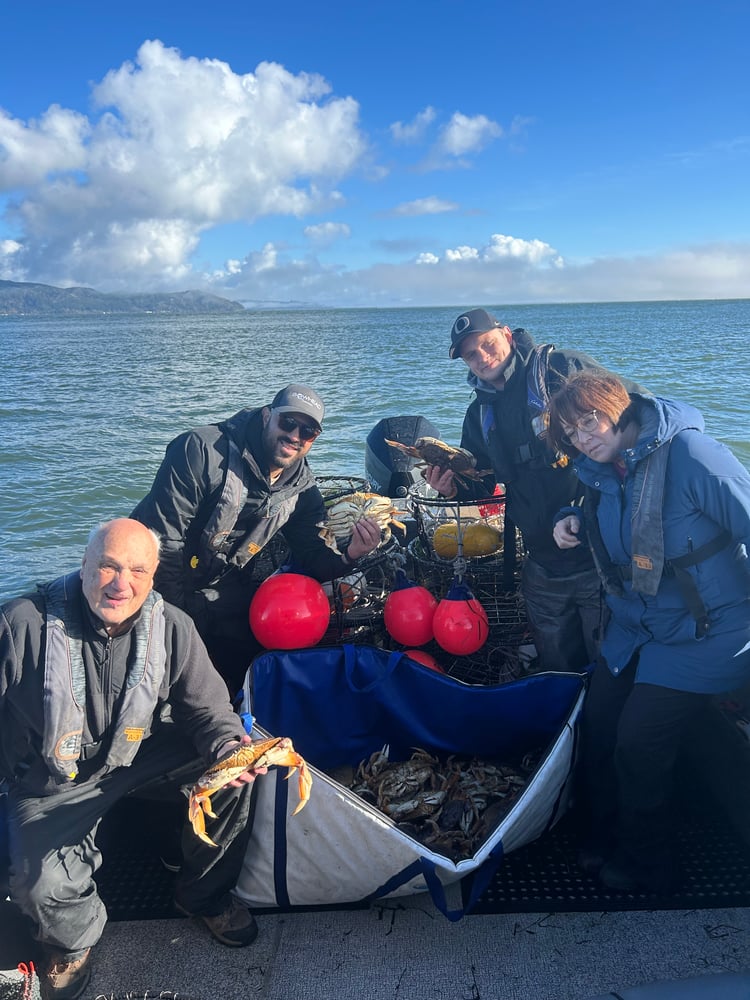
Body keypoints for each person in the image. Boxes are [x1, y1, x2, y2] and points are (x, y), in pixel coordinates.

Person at [0, 519, 270, 1000]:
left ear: (152, 578)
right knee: (38, 885)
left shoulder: (172, 626)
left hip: (139, 752)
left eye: (137, 572)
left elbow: (209, 710)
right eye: (108, 566)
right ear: (83, 567)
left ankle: (202, 895)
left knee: (237, 772)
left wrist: (231, 750)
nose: (121, 584)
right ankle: (72, 943)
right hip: (51, 779)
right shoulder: (21, 624)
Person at [549, 370, 750, 893]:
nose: (583, 436)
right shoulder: (601, 467)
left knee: (639, 742)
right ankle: (605, 832)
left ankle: (650, 862)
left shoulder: (693, 455)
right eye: (571, 432)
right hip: (637, 626)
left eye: (589, 420)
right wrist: (570, 517)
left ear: (618, 407)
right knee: (597, 725)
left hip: (707, 632)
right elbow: (618, 511)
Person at [426, 308, 643, 673]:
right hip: (540, 565)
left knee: (613, 664)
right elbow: (478, 482)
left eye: (487, 345)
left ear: (507, 335)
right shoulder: (478, 415)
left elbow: (636, 410)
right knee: (557, 668)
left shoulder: (562, 368)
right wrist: (448, 488)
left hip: (600, 555)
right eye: (470, 354)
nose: (481, 358)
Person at [132, 384, 381, 695]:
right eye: (288, 422)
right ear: (266, 416)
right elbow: (163, 542)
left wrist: (350, 555)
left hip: (225, 586)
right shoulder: (201, 450)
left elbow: (312, 554)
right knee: (167, 680)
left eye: (308, 432)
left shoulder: (301, 487)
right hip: (159, 583)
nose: (295, 436)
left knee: (247, 675)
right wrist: (181, 622)